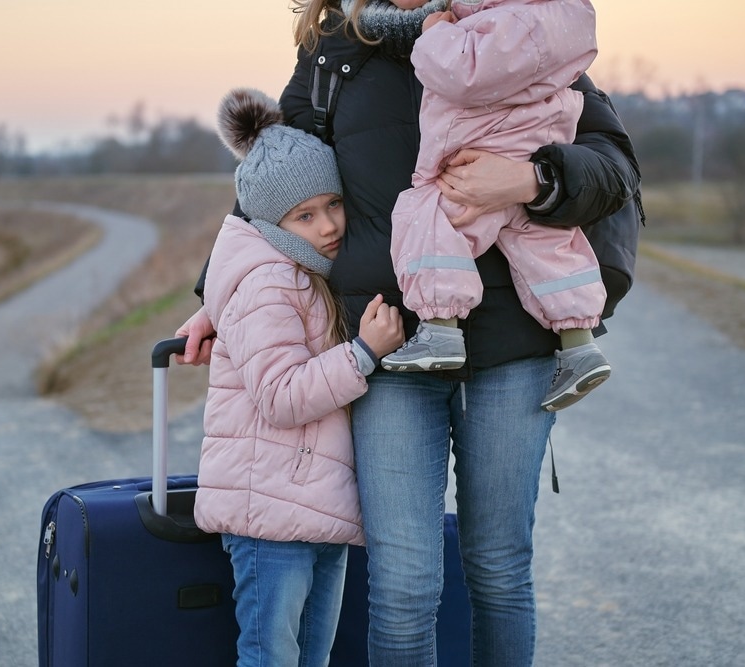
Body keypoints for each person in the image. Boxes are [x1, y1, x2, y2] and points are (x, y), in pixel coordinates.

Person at [178, 1, 641, 664]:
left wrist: (532, 179)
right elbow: (275, 177)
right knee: (401, 587)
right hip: (390, 347)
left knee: (499, 572)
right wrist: (215, 293)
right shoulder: (337, 48)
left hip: (515, 344)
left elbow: (614, 168)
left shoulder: (508, 26)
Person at [193, 86, 404, 666]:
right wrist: (364, 353)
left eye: (333, 204)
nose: (330, 224)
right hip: (268, 518)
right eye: (305, 216)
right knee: (272, 658)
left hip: (312, 509)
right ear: (270, 222)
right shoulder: (268, 282)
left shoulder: (306, 270)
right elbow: (281, 397)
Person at [381, 0, 611, 413]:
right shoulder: (565, 18)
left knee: (428, 215)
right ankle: (579, 344)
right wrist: (532, 178)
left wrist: (435, 33)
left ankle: (440, 327)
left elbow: (462, 74)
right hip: (534, 144)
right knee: (547, 246)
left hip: (479, 149)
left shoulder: (504, 21)